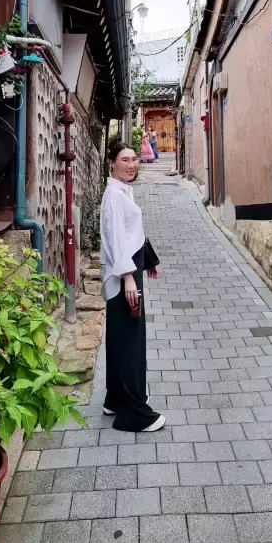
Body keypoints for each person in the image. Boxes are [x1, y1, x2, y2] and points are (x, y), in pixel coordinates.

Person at [99, 141, 165, 432]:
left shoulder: (121, 190)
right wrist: (128, 277)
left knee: (119, 336)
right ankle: (135, 413)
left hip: (127, 271)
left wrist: (146, 262)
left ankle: (115, 399)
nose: (131, 164)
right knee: (130, 341)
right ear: (112, 162)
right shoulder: (115, 195)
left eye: (134, 159)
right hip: (122, 276)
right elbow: (115, 239)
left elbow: (130, 234)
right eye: (124, 159)